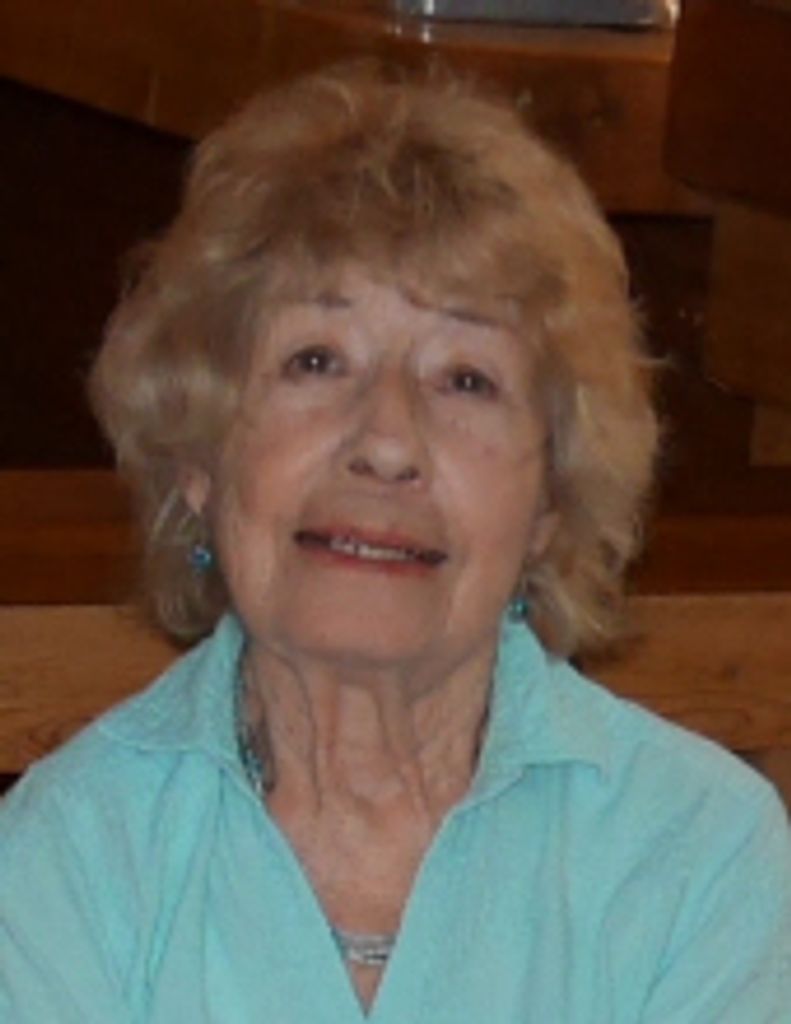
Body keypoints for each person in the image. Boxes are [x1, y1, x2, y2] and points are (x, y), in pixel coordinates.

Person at [1, 62, 789, 1023]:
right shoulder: (68, 857)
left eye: (465, 379)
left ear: (551, 498)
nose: (385, 442)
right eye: (316, 360)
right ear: (201, 456)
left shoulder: (695, 854)